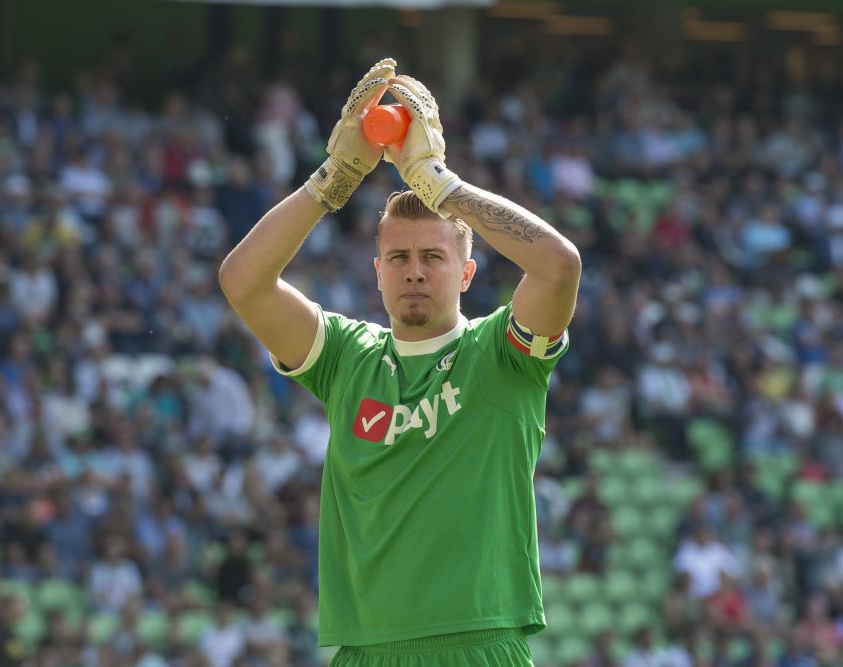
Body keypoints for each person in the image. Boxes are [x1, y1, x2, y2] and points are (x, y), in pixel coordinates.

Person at [218, 58, 581, 666]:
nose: (414, 269)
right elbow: (243, 283)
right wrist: (331, 180)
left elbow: (559, 265)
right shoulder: (344, 358)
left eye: (434, 257)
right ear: (377, 272)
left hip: (479, 645)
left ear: (467, 272)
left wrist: (439, 184)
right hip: (363, 651)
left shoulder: (501, 355)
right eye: (399, 257)